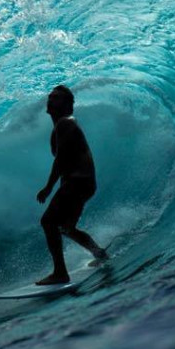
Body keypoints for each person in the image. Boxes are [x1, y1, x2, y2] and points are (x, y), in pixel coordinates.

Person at [35, 85, 108, 285]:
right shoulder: (60, 126)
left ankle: (60, 272)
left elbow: (60, 160)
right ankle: (99, 253)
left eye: (56, 98)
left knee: (48, 222)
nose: (51, 100)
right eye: (50, 97)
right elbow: (67, 160)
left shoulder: (65, 123)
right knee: (66, 227)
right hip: (82, 183)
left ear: (68, 104)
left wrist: (49, 188)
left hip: (77, 182)